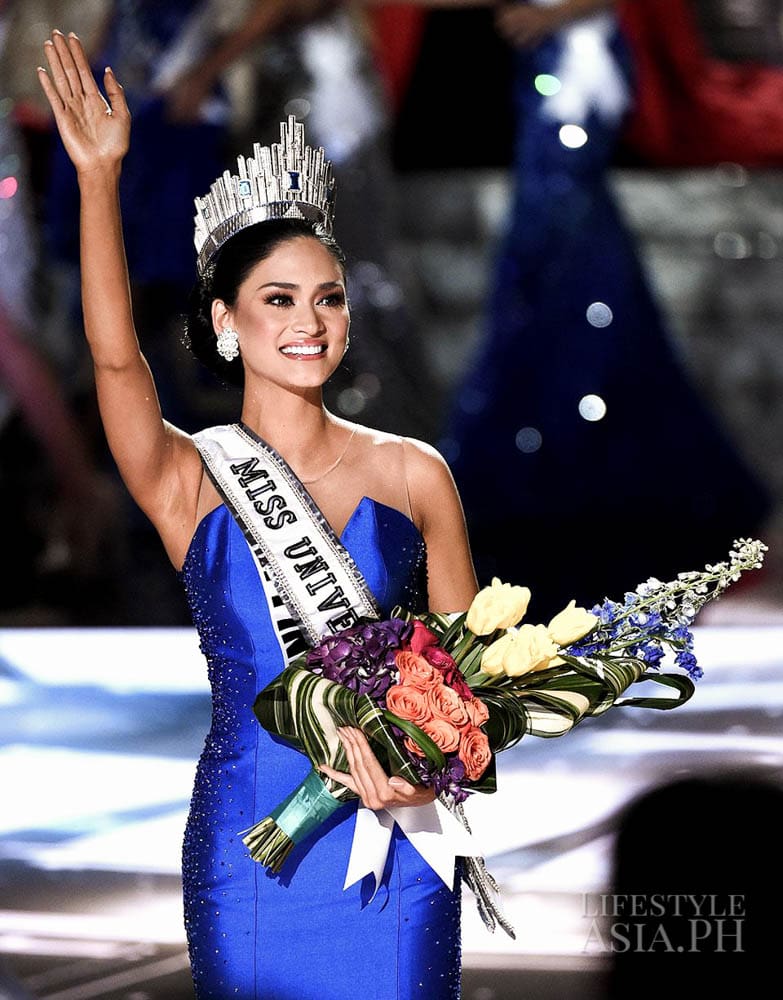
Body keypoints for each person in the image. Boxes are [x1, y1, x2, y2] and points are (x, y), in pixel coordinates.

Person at [38, 28, 477, 999]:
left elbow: (473, 679)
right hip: (250, 847)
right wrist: (100, 180)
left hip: (397, 846)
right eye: (278, 299)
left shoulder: (415, 474)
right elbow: (115, 360)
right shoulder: (190, 478)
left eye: (329, 298)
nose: (309, 322)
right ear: (226, 322)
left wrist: (429, 768)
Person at [442, 0, 770, 618]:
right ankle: (560, 462)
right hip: (549, 62)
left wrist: (556, 15)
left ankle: (593, 480)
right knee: (549, 258)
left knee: (569, 251)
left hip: (579, 55)